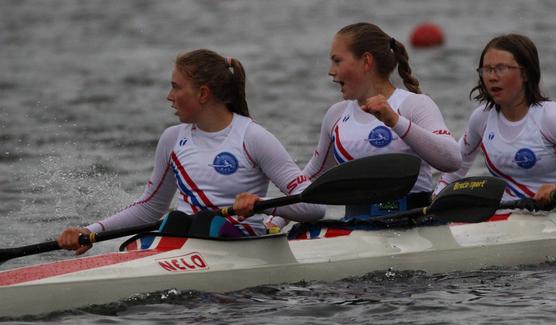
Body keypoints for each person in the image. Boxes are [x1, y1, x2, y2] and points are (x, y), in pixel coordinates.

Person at [58, 49, 324, 255]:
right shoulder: (172, 139)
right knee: (175, 220)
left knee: (206, 221)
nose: (169, 96)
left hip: (243, 244)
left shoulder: (253, 138)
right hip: (185, 240)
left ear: (203, 94)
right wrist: (89, 231)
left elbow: (314, 207)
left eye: (176, 87)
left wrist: (261, 205)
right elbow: (150, 207)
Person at [235, 22, 461, 223]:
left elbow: (452, 160)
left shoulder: (414, 104)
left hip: (413, 223)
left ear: (366, 61)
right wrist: (273, 222)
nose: (331, 71)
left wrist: (394, 121)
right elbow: (310, 183)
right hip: (356, 227)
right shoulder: (336, 115)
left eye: (337, 61)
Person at [436, 33, 556, 205]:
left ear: (525, 74)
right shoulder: (481, 118)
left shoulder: (553, 118)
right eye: (487, 69)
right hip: (512, 214)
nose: (492, 77)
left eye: (501, 68)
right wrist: (436, 197)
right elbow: (456, 166)